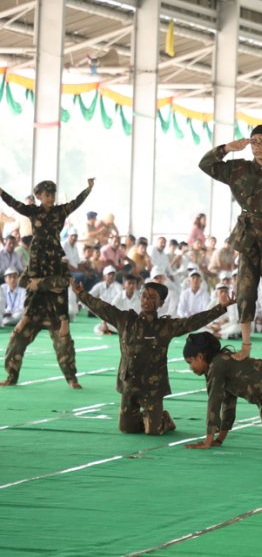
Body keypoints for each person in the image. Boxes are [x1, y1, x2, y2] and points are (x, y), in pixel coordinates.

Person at [74, 279, 230, 435]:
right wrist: (81, 293)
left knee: (153, 432)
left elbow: (193, 322)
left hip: (153, 389)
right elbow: (102, 308)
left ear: (161, 303)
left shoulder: (166, 326)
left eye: (152, 297)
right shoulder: (126, 320)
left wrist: (220, 308)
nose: (146, 300)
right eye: (144, 296)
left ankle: (163, 419)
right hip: (129, 384)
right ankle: (146, 418)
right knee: (127, 429)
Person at [199, 124, 262, 369]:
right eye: (254, 141)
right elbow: (205, 165)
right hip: (247, 237)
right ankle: (246, 346)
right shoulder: (239, 168)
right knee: (245, 291)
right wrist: (227, 148)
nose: (258, 146)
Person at [0, 179, 94, 324]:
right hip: (37, 256)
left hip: (55, 255)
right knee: (25, 283)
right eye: (47, 195)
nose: (50, 198)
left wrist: (89, 189)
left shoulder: (60, 211)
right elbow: (14, 203)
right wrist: (1, 192)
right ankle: (29, 316)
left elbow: (77, 202)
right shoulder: (33, 211)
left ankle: (58, 319)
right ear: (39, 196)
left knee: (61, 285)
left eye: (52, 195)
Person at [1, 274, 81, 388]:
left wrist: (38, 283)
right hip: (33, 314)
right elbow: (23, 282)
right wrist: (48, 284)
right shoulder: (34, 263)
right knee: (16, 339)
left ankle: (72, 379)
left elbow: (63, 284)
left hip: (56, 315)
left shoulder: (60, 265)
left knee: (64, 344)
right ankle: (11, 377)